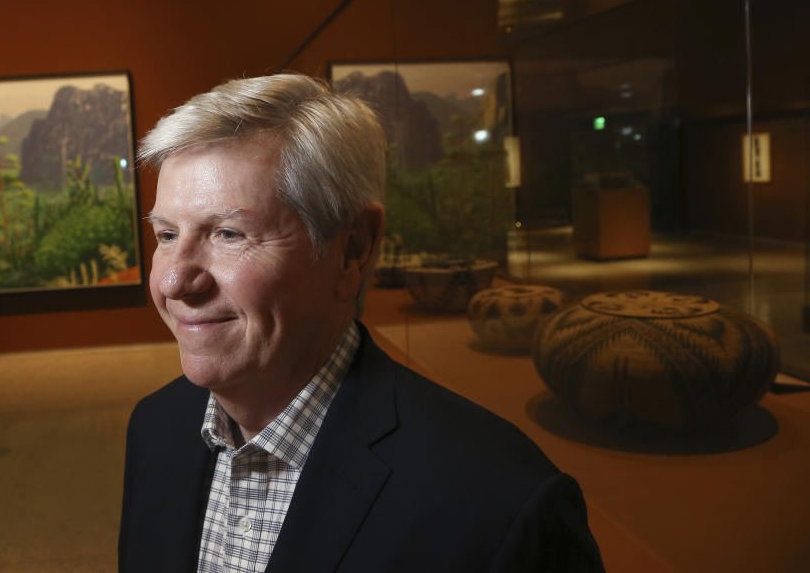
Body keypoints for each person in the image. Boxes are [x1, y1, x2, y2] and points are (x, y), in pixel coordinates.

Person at [119, 74, 605, 573]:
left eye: (227, 233)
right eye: (167, 234)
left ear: (353, 248)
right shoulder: (155, 428)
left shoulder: (501, 502)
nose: (175, 280)